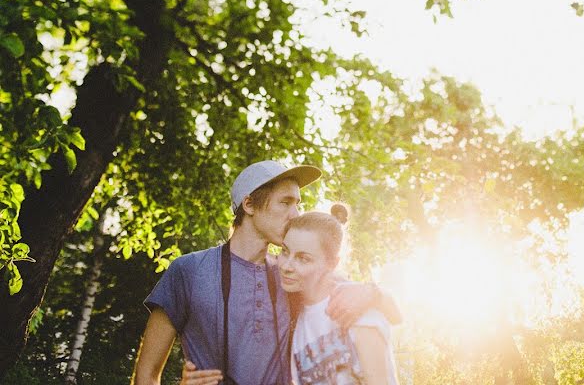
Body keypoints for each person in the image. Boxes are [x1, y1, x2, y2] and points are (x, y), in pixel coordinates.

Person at [131, 160, 399, 385]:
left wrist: (372, 292)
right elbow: (146, 372)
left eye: (298, 203)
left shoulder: (292, 275)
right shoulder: (187, 271)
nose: (295, 214)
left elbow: (391, 311)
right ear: (249, 205)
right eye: (285, 202)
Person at [279, 204, 398, 385]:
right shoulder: (296, 320)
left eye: (303, 258)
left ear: (332, 263)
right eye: (285, 251)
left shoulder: (356, 306)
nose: (286, 266)